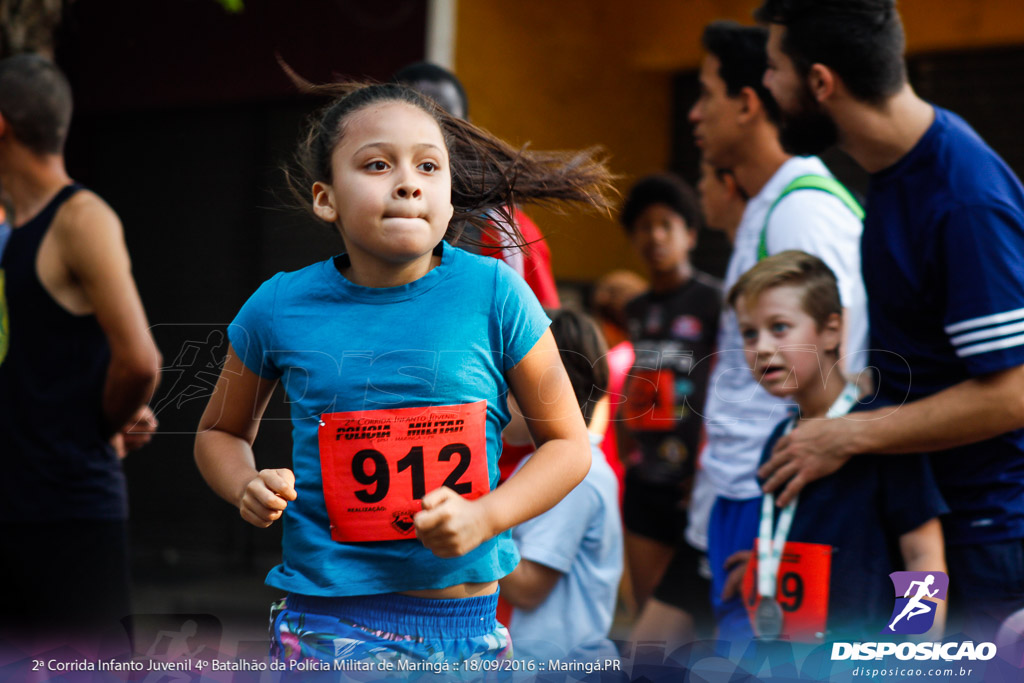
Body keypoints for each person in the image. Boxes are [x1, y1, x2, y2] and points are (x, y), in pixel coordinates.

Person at [193, 80, 615, 665]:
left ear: (448, 192)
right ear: (325, 198)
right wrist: (244, 482)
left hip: (465, 629)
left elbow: (569, 446)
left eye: (428, 165)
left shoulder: (497, 293)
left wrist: (484, 516)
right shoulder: (279, 305)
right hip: (327, 627)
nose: (408, 182)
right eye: (376, 164)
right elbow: (219, 432)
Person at [756, 0, 1024, 640]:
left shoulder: (964, 199)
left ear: (821, 83)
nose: (766, 84)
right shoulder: (894, 171)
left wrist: (847, 435)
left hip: (983, 538)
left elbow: (1014, 393)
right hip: (928, 519)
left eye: (773, 68)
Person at [687, 20, 867, 640]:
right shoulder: (768, 204)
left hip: (784, 487)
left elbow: (853, 355)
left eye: (706, 93)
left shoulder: (804, 210)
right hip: (750, 490)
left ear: (747, 103)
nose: (693, 114)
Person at [0, 55, 161, 651]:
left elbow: (141, 361)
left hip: (68, 511)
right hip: (14, 506)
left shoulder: (81, 218)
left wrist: (102, 425)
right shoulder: (15, 228)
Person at [728, 250, 947, 642]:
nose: (760, 347)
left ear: (831, 331)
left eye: (779, 327)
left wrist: (918, 652)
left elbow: (924, 556)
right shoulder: (780, 441)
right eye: (748, 333)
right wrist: (768, 567)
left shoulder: (884, 433)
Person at [617, 173, 720, 637]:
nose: (655, 236)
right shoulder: (636, 308)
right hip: (644, 478)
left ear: (690, 234)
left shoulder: (715, 301)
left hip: (695, 484)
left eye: (666, 225)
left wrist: (703, 466)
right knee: (647, 622)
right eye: (644, 226)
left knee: (695, 625)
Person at [499, 308, 623, 664]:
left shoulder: (573, 476)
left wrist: (474, 520)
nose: (496, 400)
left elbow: (527, 588)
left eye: (508, 385)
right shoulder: (539, 462)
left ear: (547, 391)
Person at [393, 61, 560, 308]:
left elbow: (544, 331)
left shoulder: (508, 233)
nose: (427, 138)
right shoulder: (359, 213)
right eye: (408, 123)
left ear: (468, 128)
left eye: (446, 124)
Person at [590, 268, 649, 502]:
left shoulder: (609, 364)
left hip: (610, 477)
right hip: (645, 476)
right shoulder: (650, 360)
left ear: (606, 323)